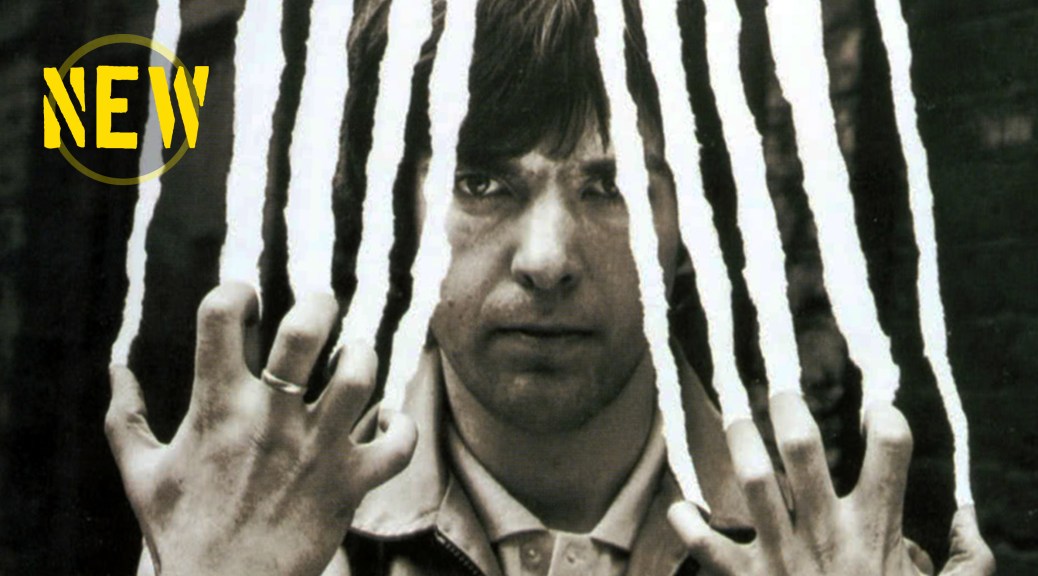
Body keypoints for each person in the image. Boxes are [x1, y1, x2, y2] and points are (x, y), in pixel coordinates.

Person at [104, 0, 996, 574]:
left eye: (612, 186)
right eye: (481, 183)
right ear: (398, 219)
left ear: (690, 230)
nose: (547, 258)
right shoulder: (253, 535)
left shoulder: (831, 552)